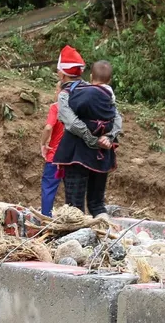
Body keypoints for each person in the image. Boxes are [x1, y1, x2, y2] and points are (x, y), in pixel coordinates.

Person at [52, 59, 122, 218]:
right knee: (97, 204)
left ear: (62, 74)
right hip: (102, 153)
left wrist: (90, 139)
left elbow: (70, 121)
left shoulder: (67, 94)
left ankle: (77, 237)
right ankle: (103, 234)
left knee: (74, 206)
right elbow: (117, 118)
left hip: (76, 154)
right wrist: (109, 138)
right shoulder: (108, 94)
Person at [40, 82, 65, 217]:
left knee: (49, 188)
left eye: (56, 89)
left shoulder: (56, 108)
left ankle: (45, 219)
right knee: (73, 191)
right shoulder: (78, 107)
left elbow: (49, 127)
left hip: (55, 158)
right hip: (73, 159)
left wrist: (43, 143)